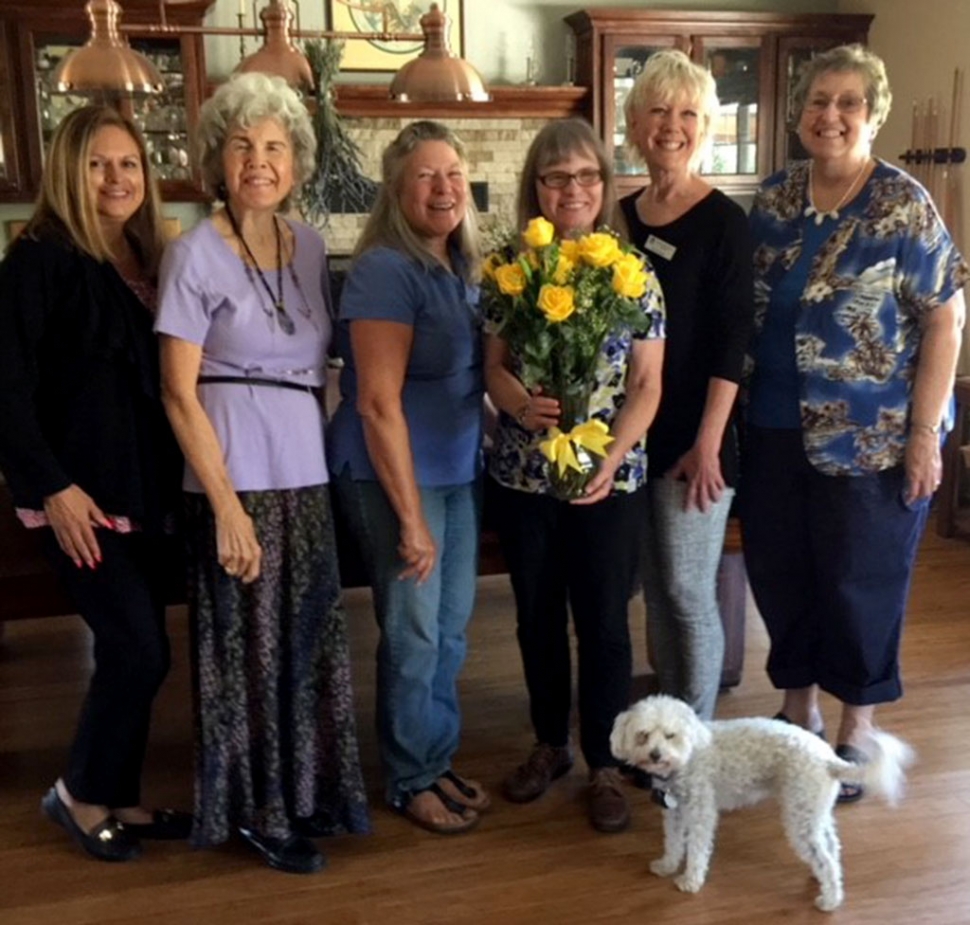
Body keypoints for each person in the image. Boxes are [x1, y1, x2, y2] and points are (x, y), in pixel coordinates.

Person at [155, 72, 369, 874]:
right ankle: (256, 809)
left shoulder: (310, 246)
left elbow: (321, 369)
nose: (259, 159)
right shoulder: (193, 253)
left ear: (297, 163)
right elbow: (180, 393)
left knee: (308, 644)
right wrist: (225, 507)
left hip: (304, 480)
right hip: (233, 480)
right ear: (217, 156)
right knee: (246, 655)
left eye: (275, 146)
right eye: (243, 144)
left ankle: (311, 793)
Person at [742, 45, 967, 801]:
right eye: (817, 101)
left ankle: (856, 727)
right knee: (781, 571)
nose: (829, 115)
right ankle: (798, 713)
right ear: (799, 112)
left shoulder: (903, 204)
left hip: (871, 437)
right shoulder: (773, 199)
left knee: (860, 580)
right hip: (772, 426)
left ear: (872, 115)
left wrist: (924, 434)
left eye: (847, 103)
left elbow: (945, 321)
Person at [0, 106, 188, 861]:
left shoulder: (146, 258)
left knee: (142, 651)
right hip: (75, 502)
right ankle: (78, 794)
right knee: (137, 647)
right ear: (67, 174)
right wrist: (52, 485)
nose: (116, 178)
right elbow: (5, 387)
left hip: (138, 494)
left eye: (129, 164)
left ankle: (118, 793)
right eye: (97, 164)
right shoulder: (40, 259)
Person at [484, 118, 666, 833]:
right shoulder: (509, 268)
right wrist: (520, 403)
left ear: (605, 184)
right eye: (557, 176)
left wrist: (610, 458)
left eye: (587, 175)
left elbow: (649, 385)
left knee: (605, 624)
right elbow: (492, 367)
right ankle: (550, 744)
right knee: (536, 618)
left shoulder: (634, 271)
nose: (573, 189)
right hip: (524, 476)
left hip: (609, 481)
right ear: (537, 185)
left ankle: (607, 762)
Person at [328, 120, 488, 836]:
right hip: (396, 476)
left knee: (449, 631)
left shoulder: (458, 265)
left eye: (453, 173)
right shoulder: (384, 270)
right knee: (415, 631)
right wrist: (411, 519)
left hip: (456, 471)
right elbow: (374, 400)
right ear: (396, 189)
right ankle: (408, 776)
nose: (444, 187)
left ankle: (433, 755)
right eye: (426, 175)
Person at [618, 50, 754, 721]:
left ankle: (693, 740)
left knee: (687, 589)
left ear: (704, 128)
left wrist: (708, 446)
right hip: (632, 437)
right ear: (635, 122)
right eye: (659, 110)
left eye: (688, 113)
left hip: (696, 439)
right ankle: (668, 724)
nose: (672, 124)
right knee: (654, 588)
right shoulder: (621, 219)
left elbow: (733, 345)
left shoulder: (726, 224)